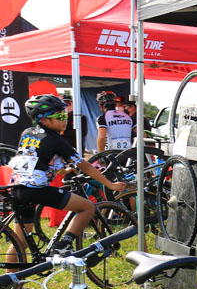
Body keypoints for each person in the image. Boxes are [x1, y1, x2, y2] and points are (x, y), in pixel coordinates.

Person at [5, 95, 127, 265]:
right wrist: (110, 184)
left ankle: (10, 284)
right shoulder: (56, 140)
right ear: (45, 120)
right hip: (36, 190)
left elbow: (34, 160)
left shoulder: (27, 133)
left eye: (65, 115)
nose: (66, 120)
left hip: (17, 188)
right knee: (87, 207)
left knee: (20, 242)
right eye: (60, 116)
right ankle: (63, 246)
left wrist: (62, 171)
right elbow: (86, 166)